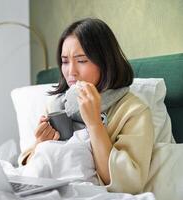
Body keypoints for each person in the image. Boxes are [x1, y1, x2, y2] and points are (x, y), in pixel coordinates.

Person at [18, 18, 154, 194]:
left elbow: (127, 185)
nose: (71, 71)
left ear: (105, 62)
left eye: (81, 60)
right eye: (65, 61)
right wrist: (39, 143)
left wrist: (94, 124)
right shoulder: (55, 105)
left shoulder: (132, 111)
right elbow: (29, 169)